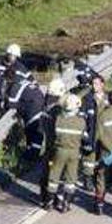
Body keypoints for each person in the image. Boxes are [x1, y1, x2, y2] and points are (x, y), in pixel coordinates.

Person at [48, 94, 87, 213]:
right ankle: (66, 204)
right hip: (74, 152)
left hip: (60, 150)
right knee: (71, 178)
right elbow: (84, 137)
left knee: (54, 175)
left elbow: (54, 135)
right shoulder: (81, 122)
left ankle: (49, 202)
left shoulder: (59, 119)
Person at [5, 69, 46, 167]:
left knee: (32, 131)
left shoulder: (16, 86)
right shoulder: (25, 81)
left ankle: (31, 157)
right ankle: (32, 154)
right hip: (40, 105)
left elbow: (11, 105)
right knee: (35, 131)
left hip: (32, 108)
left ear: (8, 79)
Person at [40, 78, 67, 209]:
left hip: (48, 146)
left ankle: (46, 200)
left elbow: (41, 128)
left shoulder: (46, 108)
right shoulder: (61, 111)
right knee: (60, 174)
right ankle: (58, 199)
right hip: (59, 146)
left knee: (47, 173)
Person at [0, 43, 29, 112]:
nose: (13, 57)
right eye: (11, 55)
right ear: (7, 54)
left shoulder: (20, 68)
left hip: (10, 99)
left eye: (15, 56)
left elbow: (30, 80)